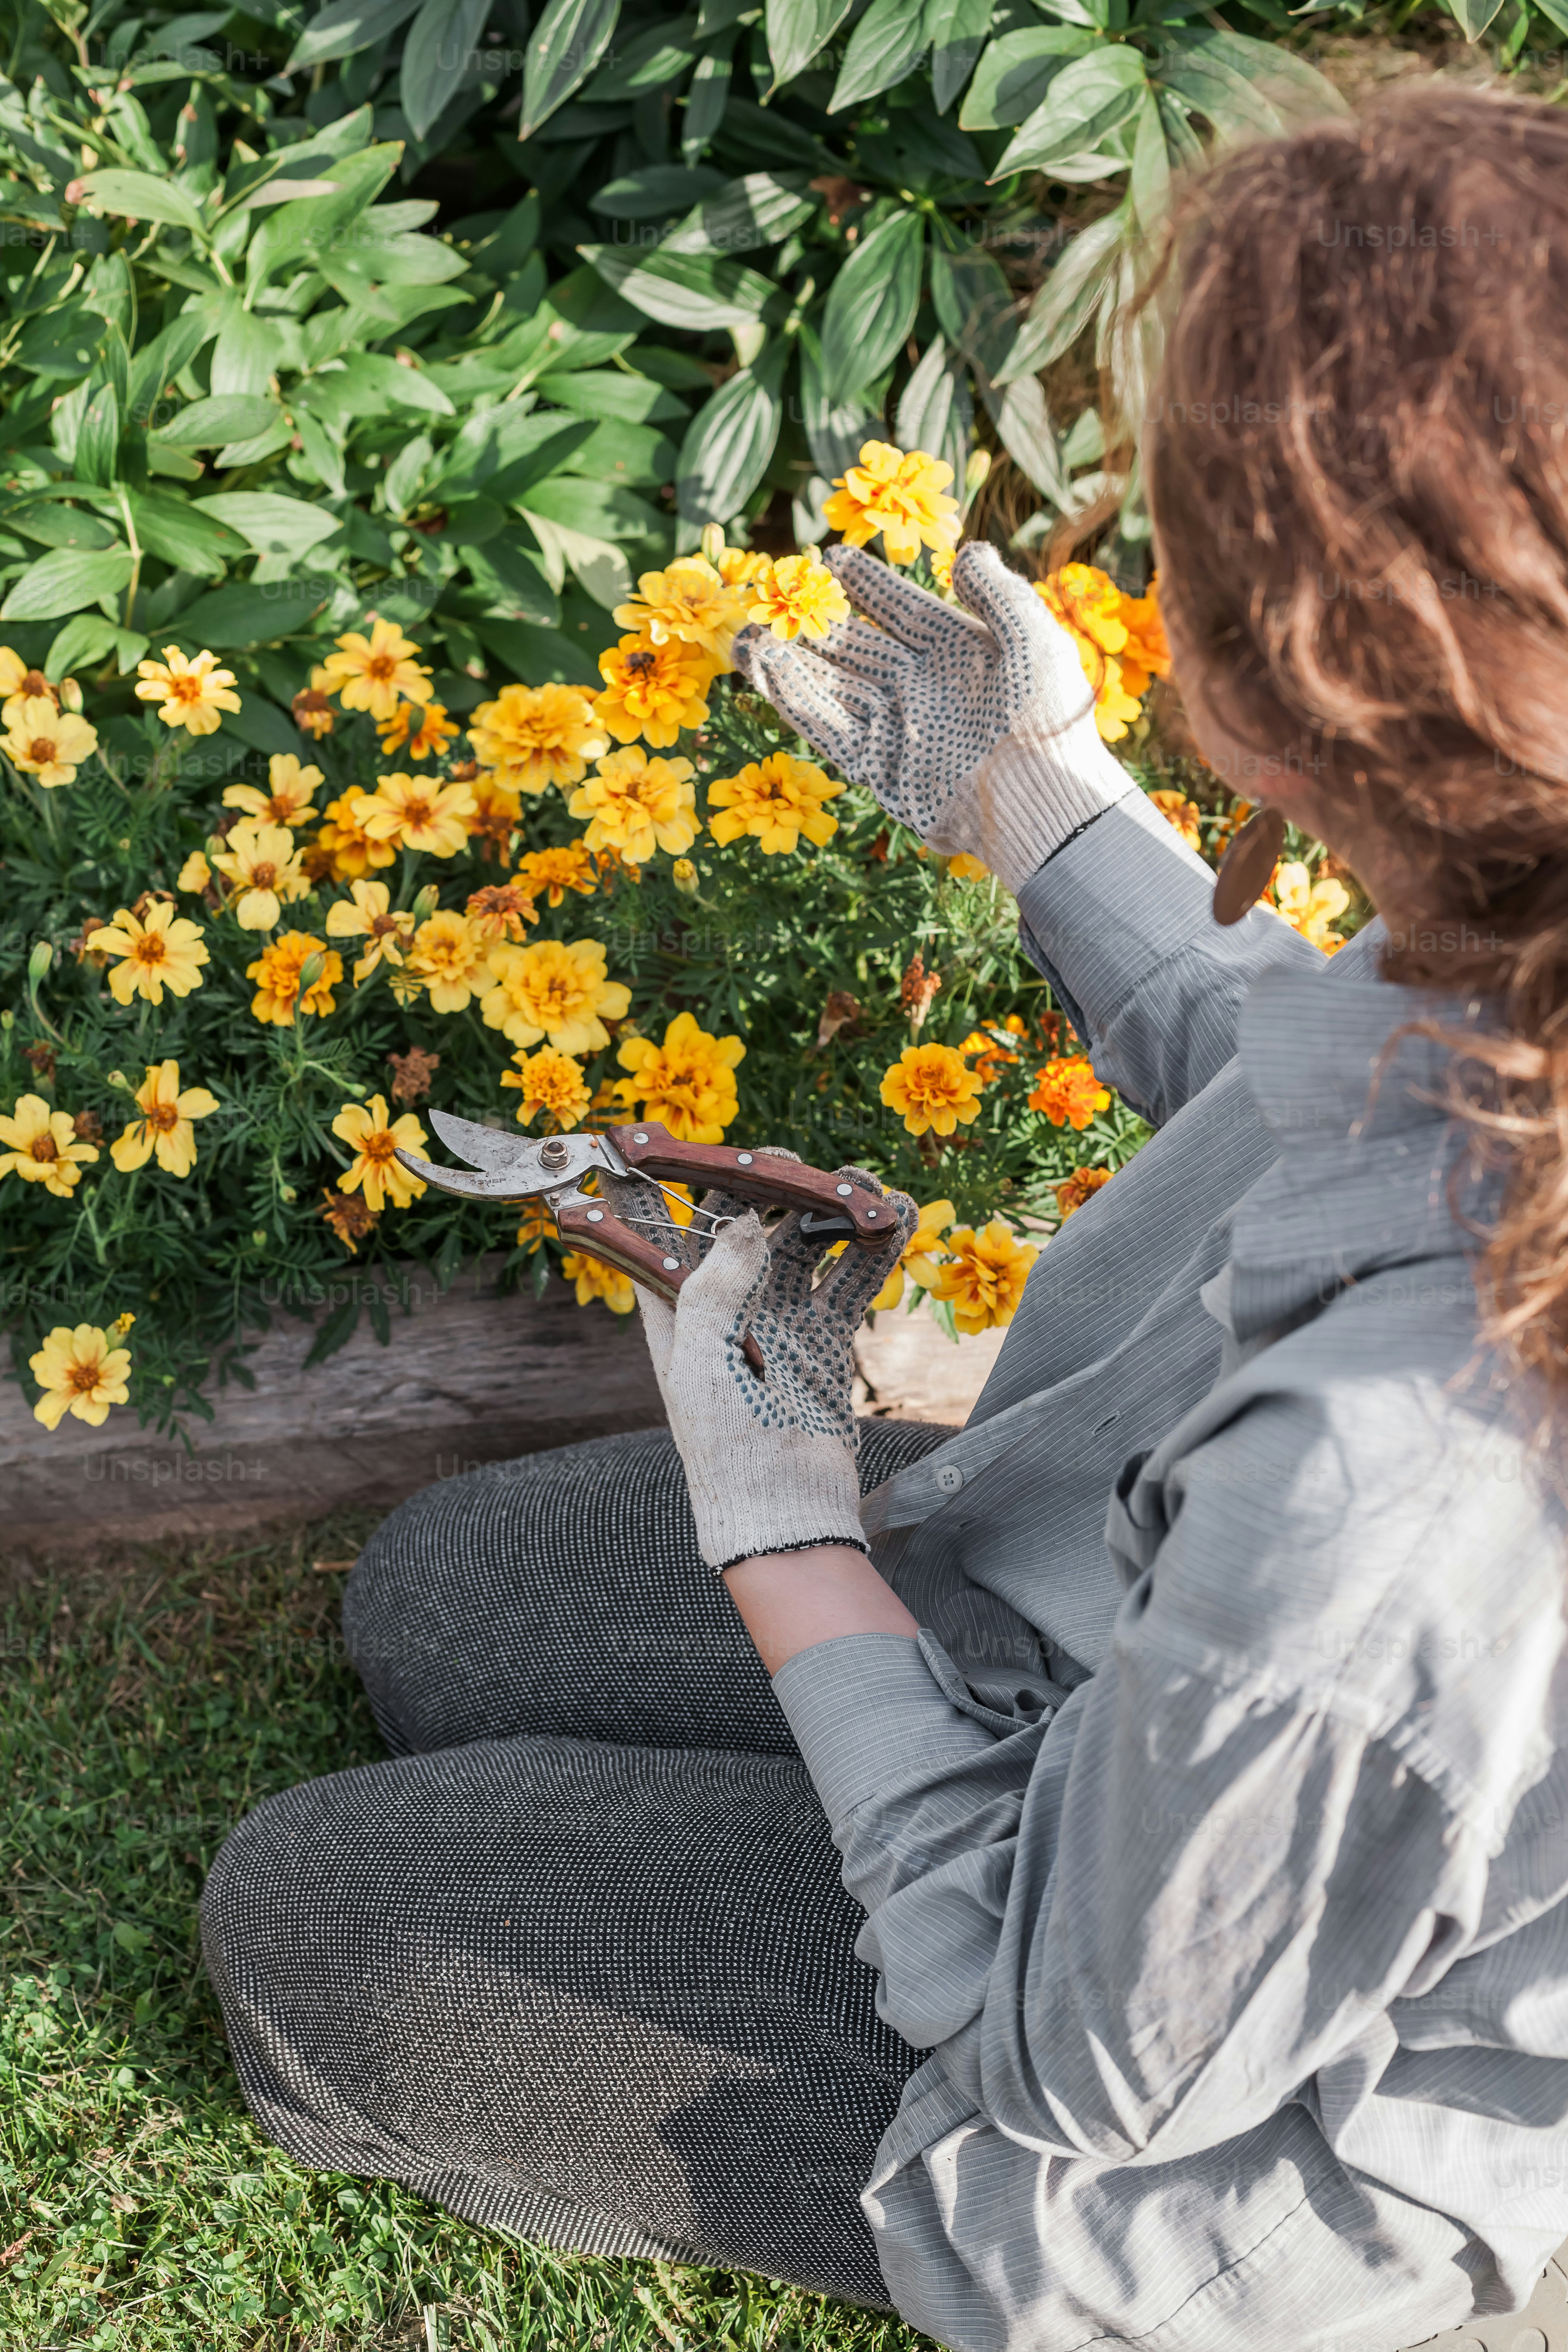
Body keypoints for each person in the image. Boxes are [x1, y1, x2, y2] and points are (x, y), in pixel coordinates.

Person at [201, 85, 1568, 2352]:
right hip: (1194, 1674)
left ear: (1326, 690)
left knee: (326, 1926)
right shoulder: (1523, 933)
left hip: (1186, 2126)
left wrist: (782, 1521)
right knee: (448, 1607)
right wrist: (1039, 804)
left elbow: (1072, 2053)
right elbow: (1321, 1086)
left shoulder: (1391, 1492)